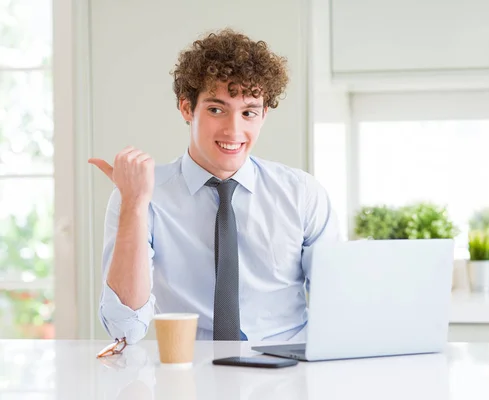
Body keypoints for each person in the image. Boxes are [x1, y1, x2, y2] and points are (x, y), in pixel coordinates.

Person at [89, 28, 341, 344]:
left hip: (288, 369)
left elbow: (340, 308)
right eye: (216, 109)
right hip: (189, 371)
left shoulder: (302, 194)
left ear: (263, 115)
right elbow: (125, 329)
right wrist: (134, 205)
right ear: (186, 108)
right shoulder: (143, 196)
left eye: (248, 112)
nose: (234, 130)